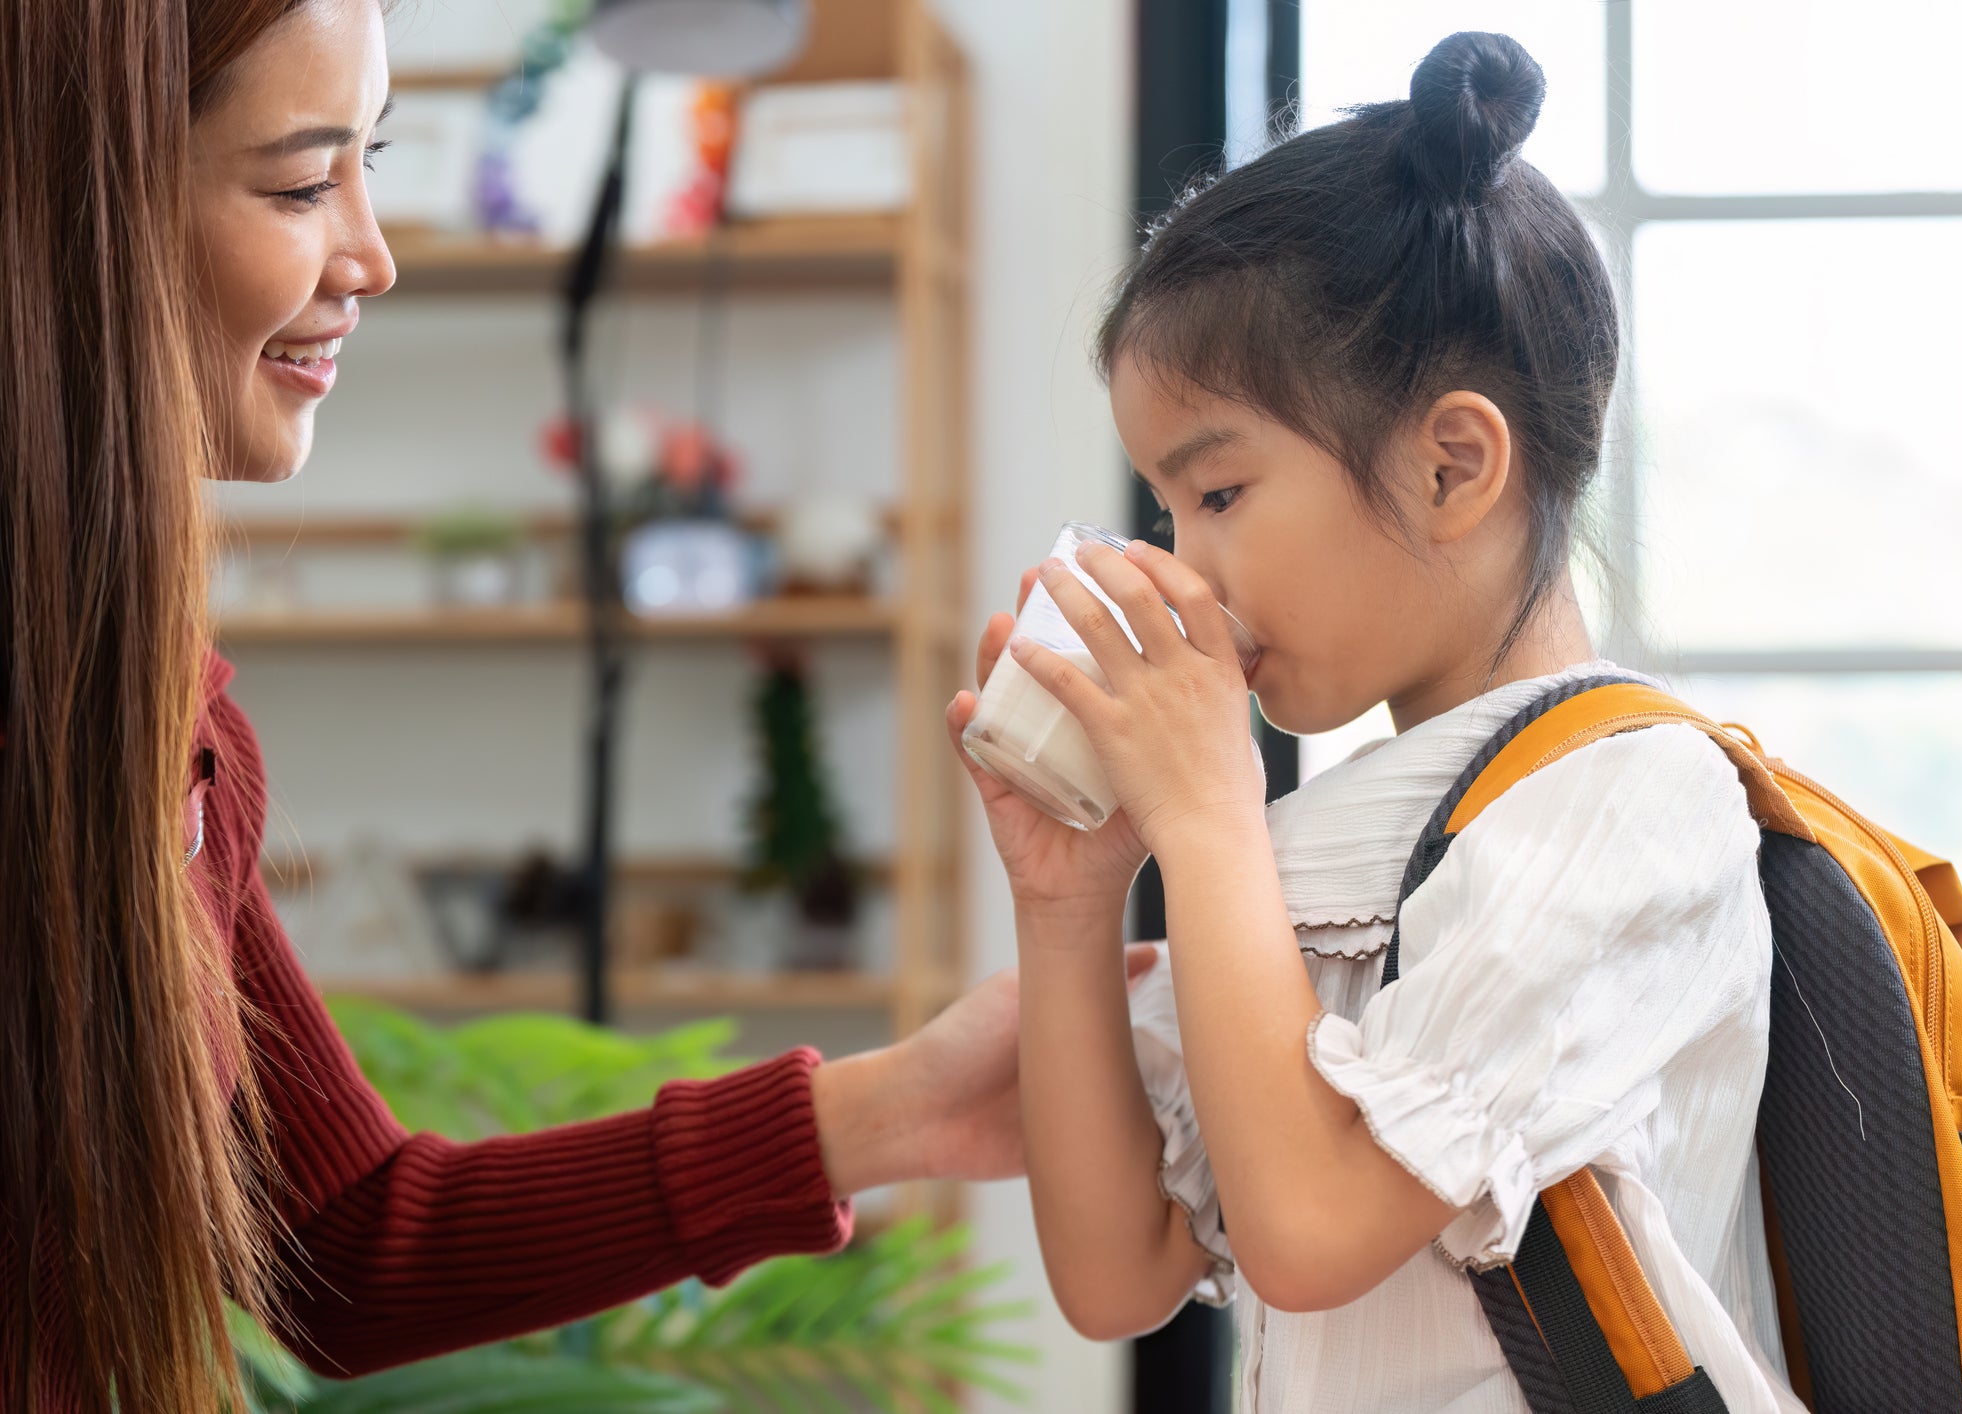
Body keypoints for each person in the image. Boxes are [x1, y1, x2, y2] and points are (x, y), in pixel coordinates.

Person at [0, 3, 1102, 1409]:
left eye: (370, 164)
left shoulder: (176, 739)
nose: (371, 256)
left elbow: (338, 1247)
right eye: (295, 184)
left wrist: (899, 1108)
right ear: (60, 213)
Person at [947, 31, 1807, 1414]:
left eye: (1216, 496)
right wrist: (1071, 899)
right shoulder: (1335, 834)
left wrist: (1210, 814)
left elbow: (1308, 1228)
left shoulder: (1629, 800)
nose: (1183, 566)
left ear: (1450, 465)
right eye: (1164, 510)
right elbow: (1118, 1274)